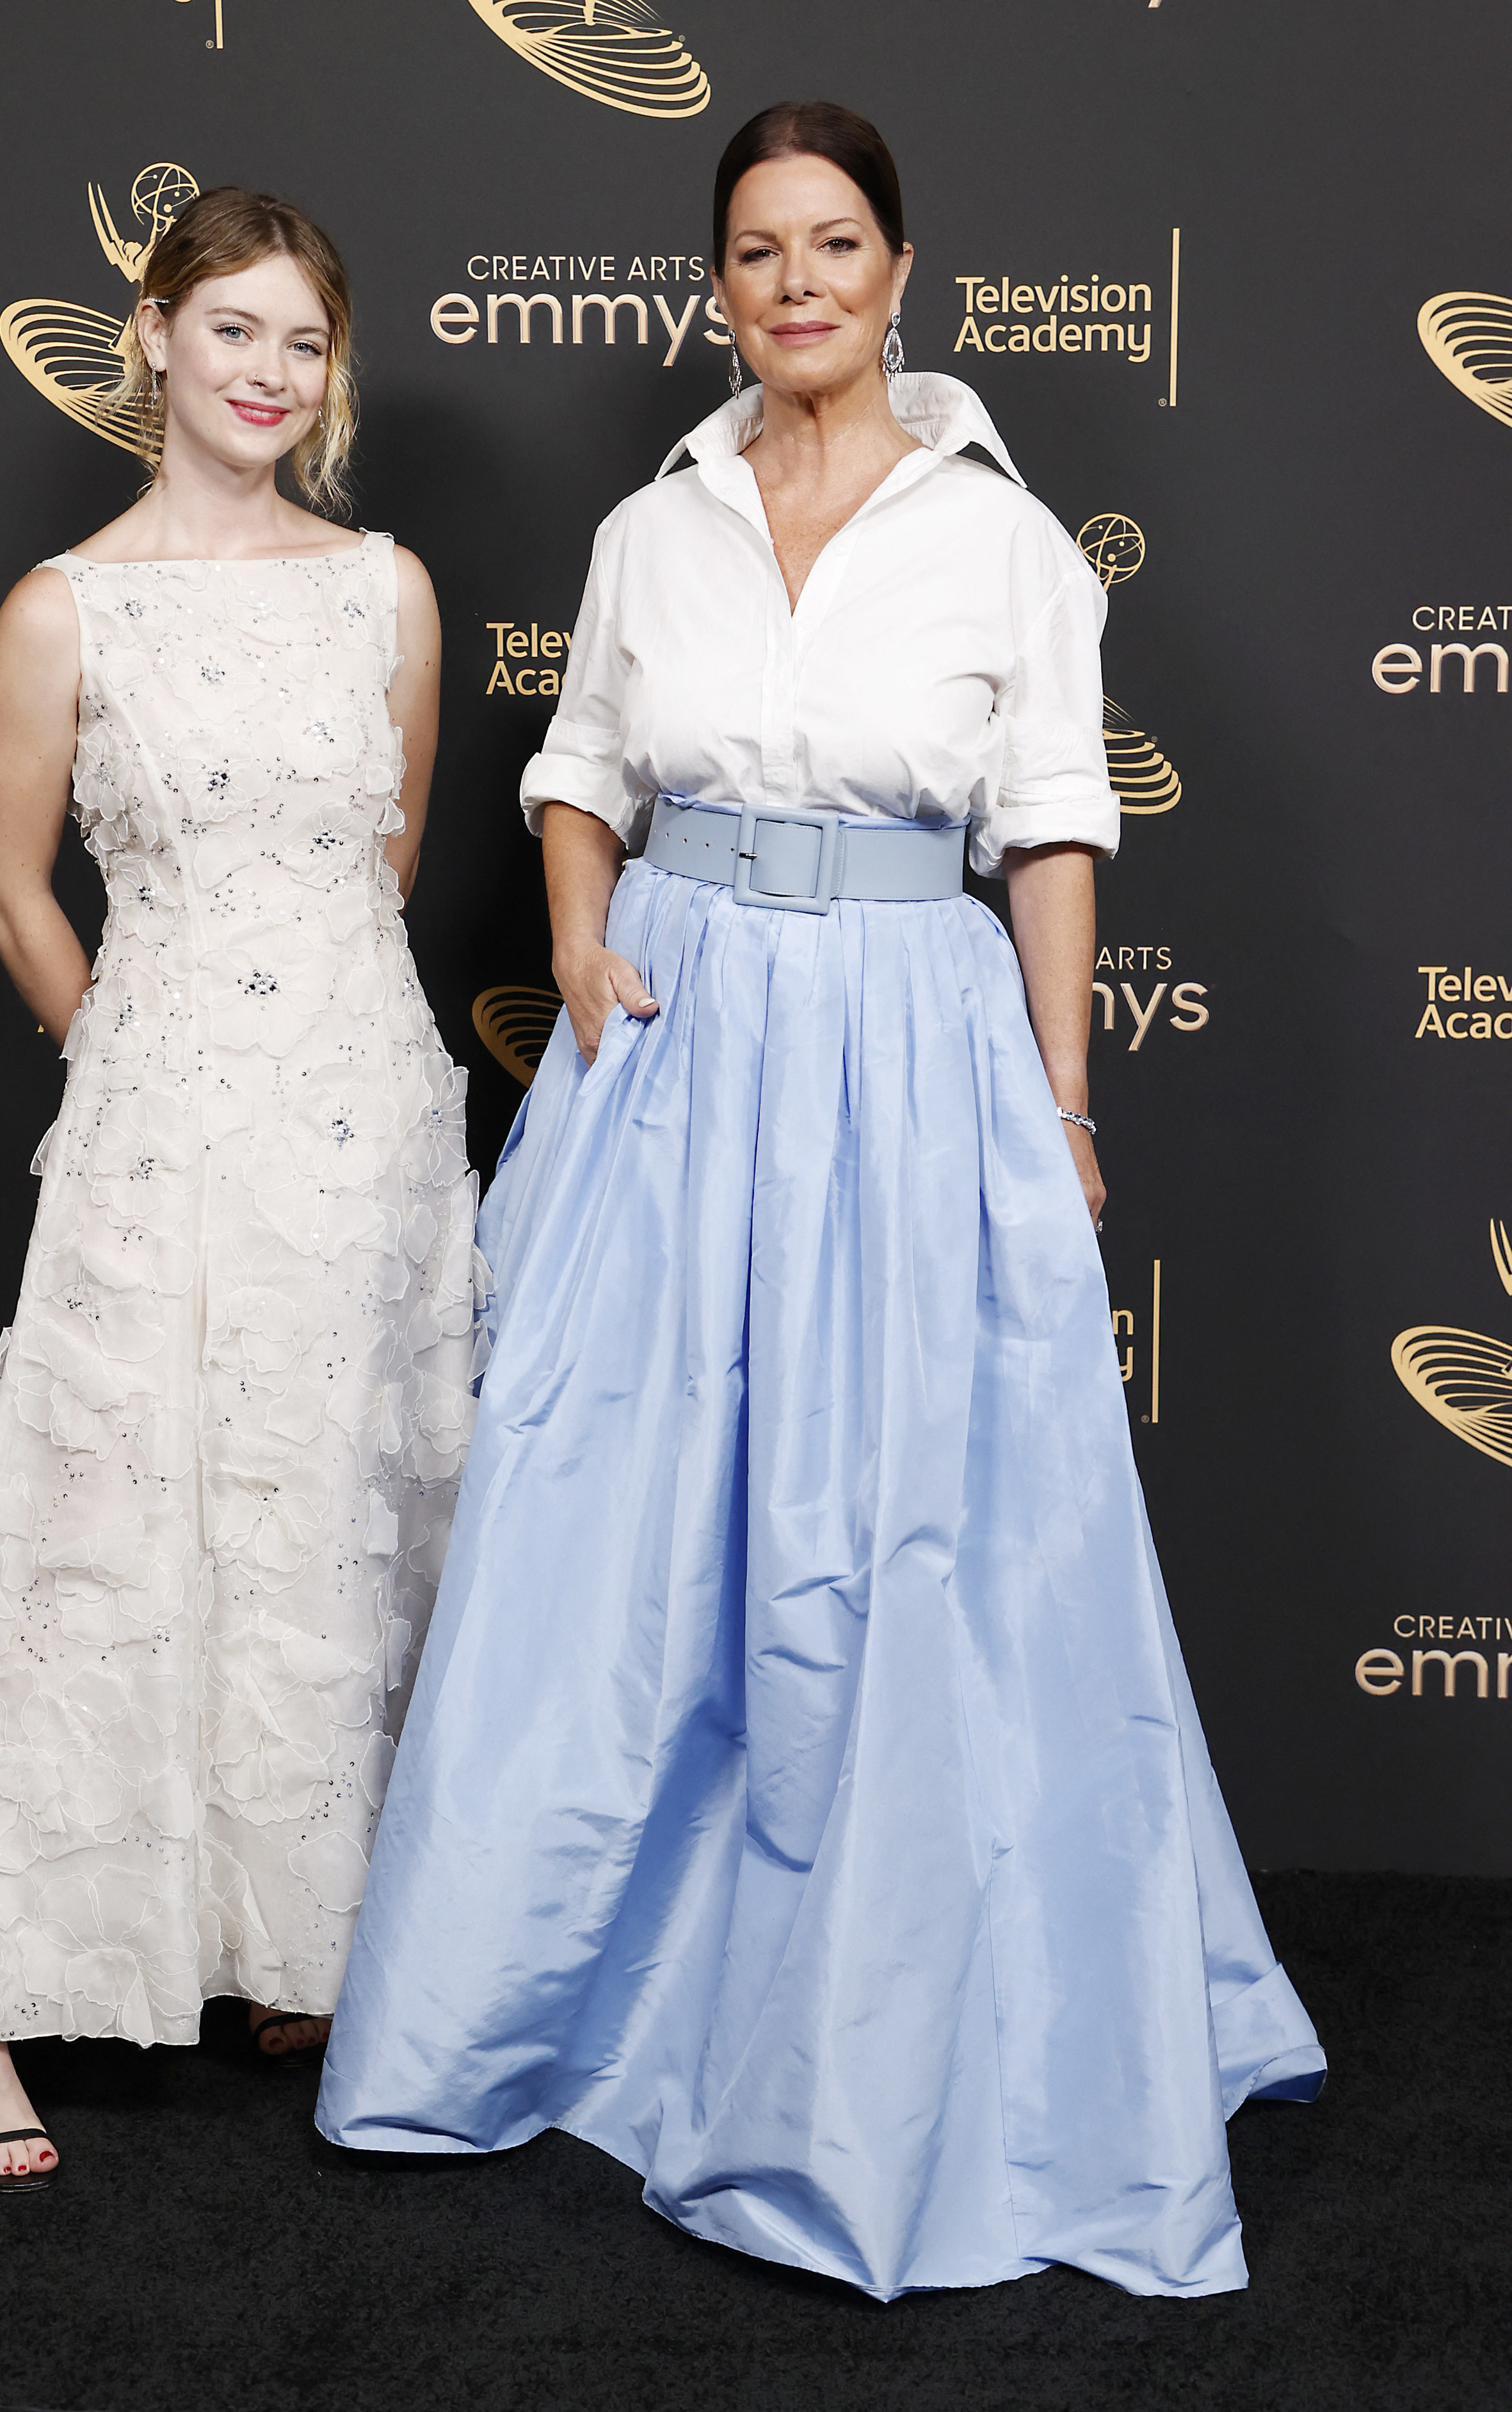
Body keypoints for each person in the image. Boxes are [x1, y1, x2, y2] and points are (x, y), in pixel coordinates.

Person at [316, 102, 1324, 2298]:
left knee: (897, 1537)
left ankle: (872, 2049)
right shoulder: (647, 530)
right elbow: (578, 768)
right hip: (676, 1058)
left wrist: (1059, 1109)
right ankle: (567, 2005)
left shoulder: (1006, 541)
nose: (797, 282)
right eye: (759, 248)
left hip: (907, 1056)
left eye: (836, 243)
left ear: (899, 273)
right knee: (625, 1530)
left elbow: (1051, 830)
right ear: (716, 285)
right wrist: (577, 939)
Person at [0, 184, 482, 2190]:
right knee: (102, 1534)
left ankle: (291, 1941)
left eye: (303, 342)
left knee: (333, 1519)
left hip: (370, 1129)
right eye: (231, 329)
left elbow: (375, 867)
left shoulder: (387, 585)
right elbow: (5, 885)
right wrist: (140, 1060)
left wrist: (307, 1070)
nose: (266, 372)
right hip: (158, 1124)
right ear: (149, 338)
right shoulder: (65, 605)